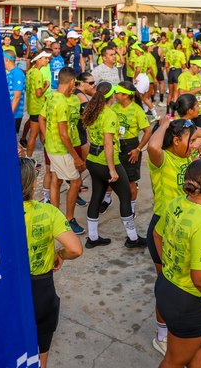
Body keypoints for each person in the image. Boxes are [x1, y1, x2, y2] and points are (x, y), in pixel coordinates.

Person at [153, 159, 201, 368]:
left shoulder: (175, 203)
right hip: (186, 301)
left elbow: (157, 235)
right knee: (174, 361)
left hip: (167, 285)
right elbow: (200, 279)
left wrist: (169, 265)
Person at [146, 113, 201, 355]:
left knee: (182, 282)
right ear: (174, 142)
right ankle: (161, 336)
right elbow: (152, 144)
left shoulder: (188, 154)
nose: (194, 144)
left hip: (184, 226)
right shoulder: (161, 159)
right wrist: (163, 125)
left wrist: (185, 127)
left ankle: (176, 329)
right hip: (162, 227)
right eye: (188, 140)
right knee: (166, 284)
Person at [20, 157, 83, 368]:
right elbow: (75, 249)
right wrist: (60, 255)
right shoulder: (48, 212)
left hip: (9, 288)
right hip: (41, 288)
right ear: (33, 184)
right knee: (41, 351)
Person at [81, 82, 145, 249]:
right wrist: (112, 170)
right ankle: (133, 238)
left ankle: (93, 238)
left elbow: (89, 135)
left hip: (92, 160)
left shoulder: (92, 110)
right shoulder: (109, 114)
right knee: (125, 197)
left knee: (96, 197)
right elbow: (108, 144)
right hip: (106, 162)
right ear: (110, 97)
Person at [43, 68, 87, 235]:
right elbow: (63, 134)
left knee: (56, 179)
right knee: (75, 182)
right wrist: (76, 158)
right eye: (74, 83)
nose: (74, 86)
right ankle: (68, 220)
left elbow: (44, 119)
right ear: (70, 82)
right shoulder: (62, 102)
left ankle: (55, 218)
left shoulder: (52, 96)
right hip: (60, 150)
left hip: (51, 147)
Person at [110, 81, 152, 216]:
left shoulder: (137, 110)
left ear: (126, 95)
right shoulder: (113, 108)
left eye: (118, 93)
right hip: (115, 145)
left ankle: (131, 208)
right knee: (111, 177)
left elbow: (148, 131)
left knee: (130, 181)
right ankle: (107, 199)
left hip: (131, 147)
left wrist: (138, 149)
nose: (115, 95)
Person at [25, 51, 51, 159]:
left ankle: (49, 157)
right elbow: (39, 93)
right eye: (45, 58)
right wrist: (46, 86)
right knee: (34, 135)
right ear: (38, 59)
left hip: (32, 106)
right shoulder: (38, 73)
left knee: (42, 134)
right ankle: (29, 159)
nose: (47, 60)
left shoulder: (30, 71)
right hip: (38, 108)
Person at [178, 58, 201, 135]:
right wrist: (199, 89)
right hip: (189, 112)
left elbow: (200, 90)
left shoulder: (199, 76)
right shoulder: (183, 76)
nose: (200, 70)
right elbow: (182, 94)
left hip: (200, 110)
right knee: (189, 135)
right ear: (191, 65)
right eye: (198, 67)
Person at [4, 51, 26, 134]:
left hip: (14, 115)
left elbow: (17, 96)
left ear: (7, 60)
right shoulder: (10, 73)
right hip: (10, 113)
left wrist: (9, 114)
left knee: (12, 142)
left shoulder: (17, 74)